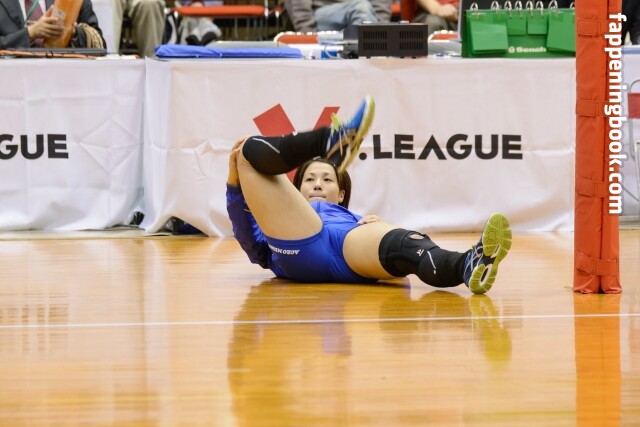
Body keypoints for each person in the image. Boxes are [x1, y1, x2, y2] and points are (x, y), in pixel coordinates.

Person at [226, 95, 512, 294]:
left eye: (327, 179)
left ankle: (467, 264)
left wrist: (379, 226)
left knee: (407, 246)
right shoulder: (279, 221)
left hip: (348, 245)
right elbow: (249, 240)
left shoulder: (357, 219)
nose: (317, 184)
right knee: (247, 151)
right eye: (309, 179)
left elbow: (398, 270)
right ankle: (328, 141)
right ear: (295, 190)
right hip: (299, 248)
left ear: (341, 194)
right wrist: (233, 185)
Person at [0, 0, 105, 49]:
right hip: (13, 78)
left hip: (64, 78)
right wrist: (30, 33)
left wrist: (72, 33)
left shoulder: (74, 2)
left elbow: (99, 43)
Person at [284, 0, 391, 33]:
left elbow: (380, 4)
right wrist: (308, 33)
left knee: (362, 9)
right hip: (319, 16)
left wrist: (382, 28)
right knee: (360, 8)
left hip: (365, 16)